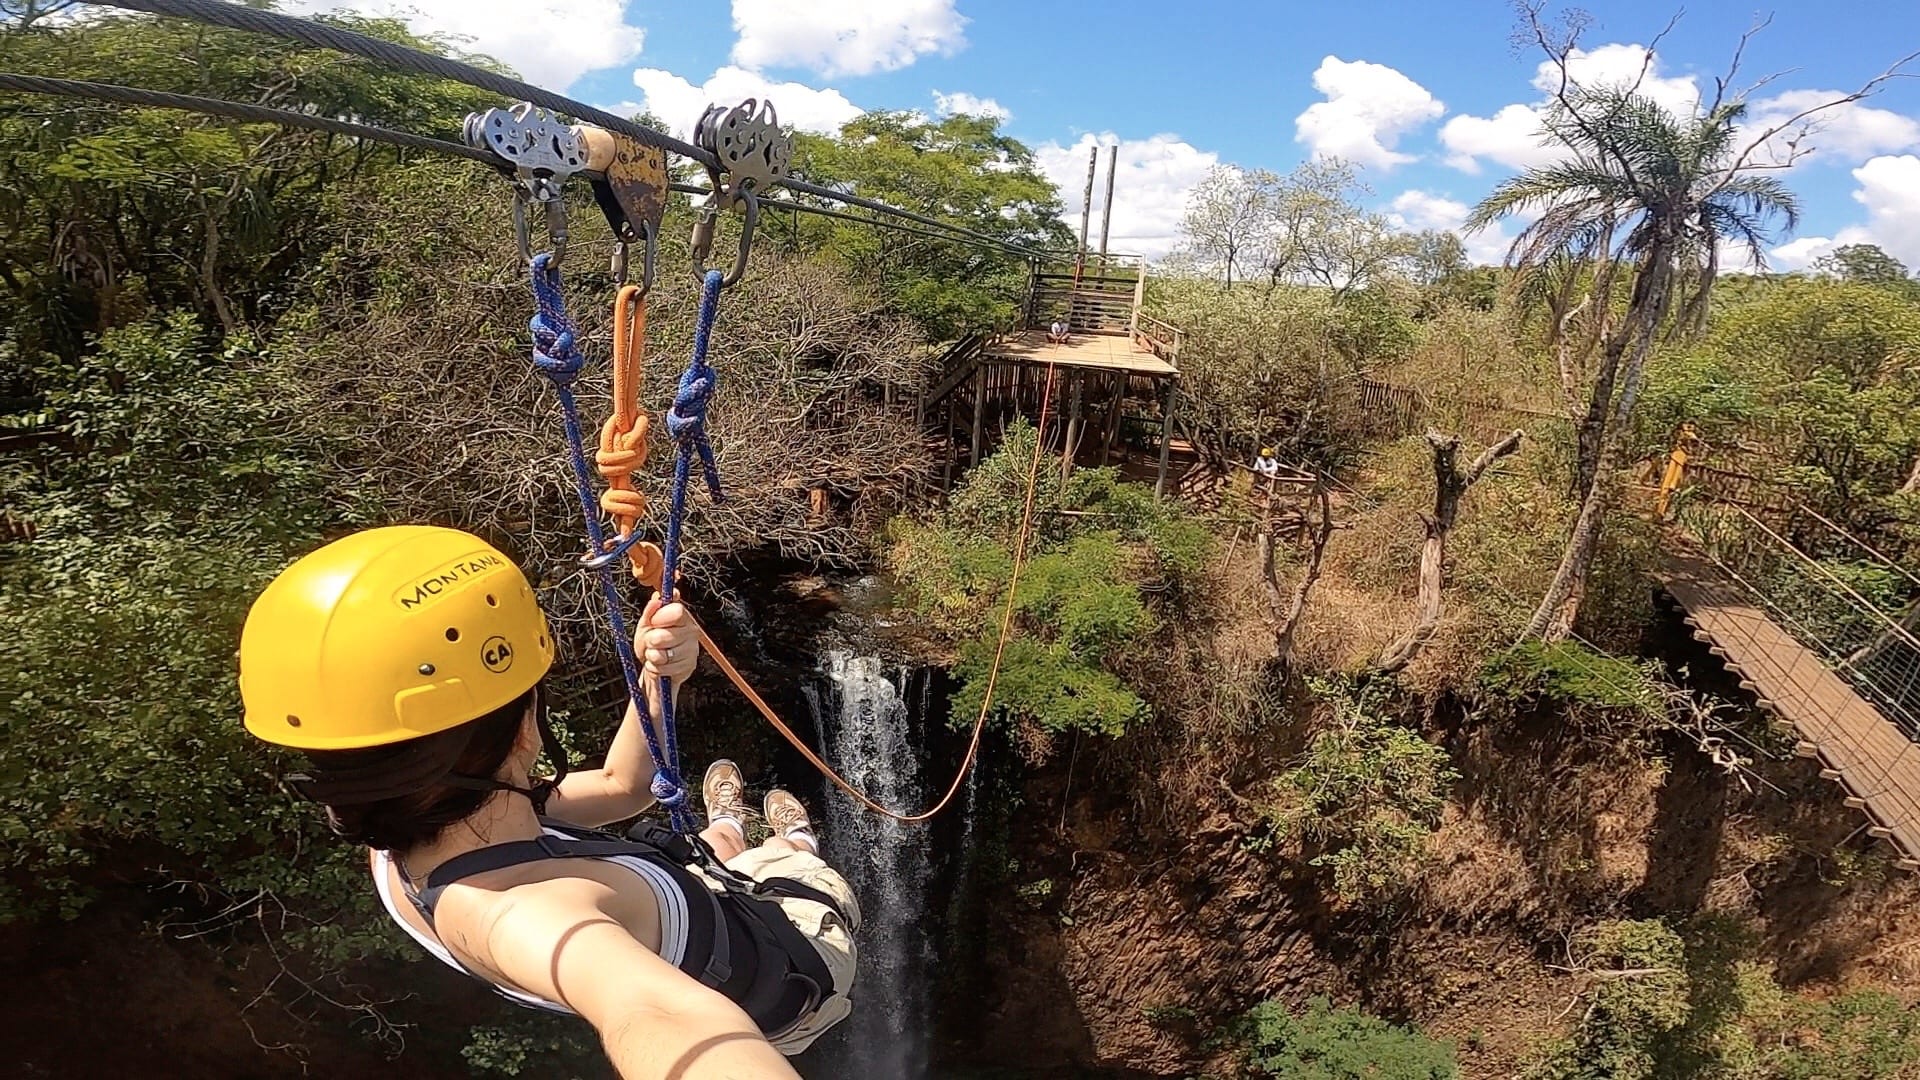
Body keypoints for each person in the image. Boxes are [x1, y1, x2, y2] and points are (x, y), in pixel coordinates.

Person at [238, 525, 860, 1080]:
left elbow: (621, 786)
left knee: (717, 846)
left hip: (709, 907)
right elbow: (663, 1015)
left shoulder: (414, 826)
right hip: (802, 962)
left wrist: (658, 679)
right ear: (524, 729)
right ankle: (796, 840)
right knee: (788, 863)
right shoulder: (523, 917)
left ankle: (727, 823)